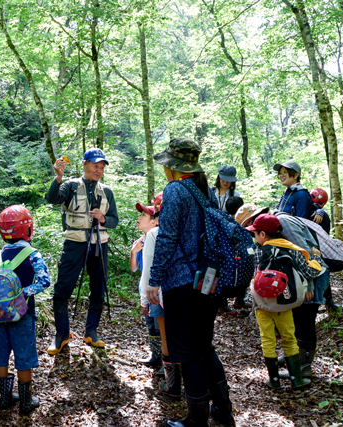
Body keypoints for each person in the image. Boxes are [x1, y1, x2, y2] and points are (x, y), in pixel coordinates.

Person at [147, 137, 235, 427]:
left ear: (172, 166)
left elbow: (168, 237)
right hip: (207, 281)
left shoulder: (174, 190)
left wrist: (154, 279)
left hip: (181, 282)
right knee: (204, 346)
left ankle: (196, 420)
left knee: (187, 352)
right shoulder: (203, 190)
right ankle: (222, 410)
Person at [235, 204, 331, 380]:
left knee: (305, 322)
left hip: (310, 280)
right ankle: (294, 360)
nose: (251, 234)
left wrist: (309, 285)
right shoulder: (271, 239)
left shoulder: (283, 223)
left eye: (251, 228)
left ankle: (303, 367)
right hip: (297, 280)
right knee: (295, 322)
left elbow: (306, 254)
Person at [46, 148, 118, 354]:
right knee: (62, 289)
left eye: (102, 167)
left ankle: (91, 331)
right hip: (75, 243)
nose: (99, 170)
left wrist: (103, 218)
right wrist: (58, 178)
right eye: (95, 165)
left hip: (99, 243)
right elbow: (52, 199)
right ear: (85, 164)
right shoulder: (70, 186)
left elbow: (114, 220)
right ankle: (62, 334)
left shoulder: (107, 192)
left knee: (98, 288)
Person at [0, 205, 50, 415]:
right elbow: (44, 281)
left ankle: (4, 399)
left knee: (0, 355)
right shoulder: (33, 254)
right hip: (22, 314)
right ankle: (25, 402)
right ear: (27, 228)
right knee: (23, 356)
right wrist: (22, 293)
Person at [247, 214, 320, 391]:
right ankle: (296, 380)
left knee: (268, 340)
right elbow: (310, 273)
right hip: (285, 302)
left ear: (263, 234)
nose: (254, 237)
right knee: (289, 338)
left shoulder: (256, 250)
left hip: (261, 304)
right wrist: (315, 257)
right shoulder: (292, 249)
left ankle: (274, 380)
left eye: (255, 233)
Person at [131, 193, 167, 377]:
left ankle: (167, 365)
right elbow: (135, 268)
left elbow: (148, 271)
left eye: (144, 215)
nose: (139, 218)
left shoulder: (154, 235)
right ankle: (157, 357)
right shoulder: (144, 240)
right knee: (154, 327)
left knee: (162, 328)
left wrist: (145, 298)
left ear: (155, 220)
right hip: (168, 290)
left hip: (157, 292)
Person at [217, 196, 250, 315]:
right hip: (239, 256)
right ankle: (238, 300)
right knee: (243, 273)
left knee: (226, 277)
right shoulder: (241, 222)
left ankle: (224, 304)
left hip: (228, 256)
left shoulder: (223, 221)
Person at [310, 188, 339, 312]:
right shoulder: (320, 213)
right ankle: (328, 301)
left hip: (315, 248)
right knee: (322, 272)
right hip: (317, 248)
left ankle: (326, 301)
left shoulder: (319, 214)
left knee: (321, 272)